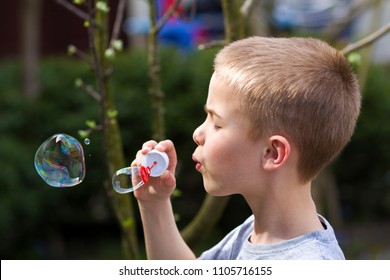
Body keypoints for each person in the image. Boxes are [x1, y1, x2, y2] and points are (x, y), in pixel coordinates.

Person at [131, 36, 361, 259]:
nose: (198, 133)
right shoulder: (253, 233)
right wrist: (154, 205)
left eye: (216, 122)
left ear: (273, 153)